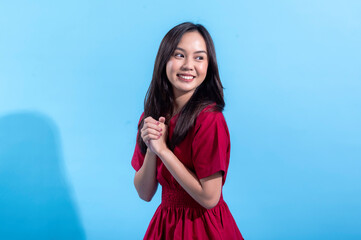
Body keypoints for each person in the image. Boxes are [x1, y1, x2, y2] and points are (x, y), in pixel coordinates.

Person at [131, 22, 244, 240]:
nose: (188, 65)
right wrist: (153, 149)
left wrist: (164, 151)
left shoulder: (210, 119)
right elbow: (145, 193)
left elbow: (210, 198)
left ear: (209, 65)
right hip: (166, 224)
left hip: (203, 227)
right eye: (179, 55)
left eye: (199, 57)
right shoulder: (151, 116)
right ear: (164, 60)